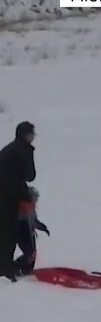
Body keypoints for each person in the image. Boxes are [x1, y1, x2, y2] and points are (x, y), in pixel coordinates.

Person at [0, 121, 37, 282]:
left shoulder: (10, 148)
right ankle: (7, 270)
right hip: (8, 196)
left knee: (5, 233)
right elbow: (30, 175)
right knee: (9, 234)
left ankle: (5, 268)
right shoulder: (23, 149)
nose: (33, 137)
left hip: (6, 193)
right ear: (25, 135)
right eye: (31, 134)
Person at [13, 185, 49, 277]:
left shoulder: (31, 208)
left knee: (32, 253)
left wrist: (42, 227)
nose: (35, 202)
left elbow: (34, 221)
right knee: (29, 253)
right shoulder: (20, 208)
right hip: (22, 232)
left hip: (30, 233)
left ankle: (27, 269)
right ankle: (16, 267)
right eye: (34, 200)